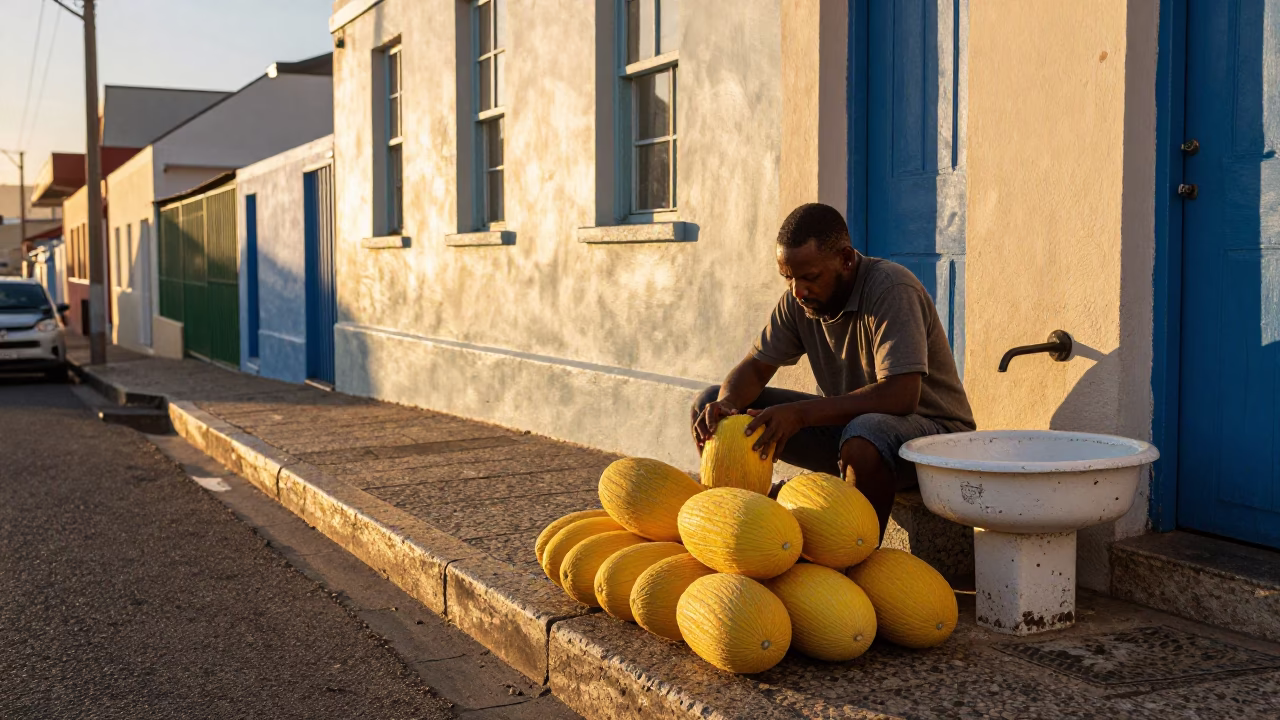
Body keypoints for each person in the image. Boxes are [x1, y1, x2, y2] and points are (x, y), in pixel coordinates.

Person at [691, 202, 975, 538]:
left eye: (810, 277)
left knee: (864, 433)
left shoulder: (892, 289)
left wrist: (798, 414)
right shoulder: (799, 301)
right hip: (853, 429)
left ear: (845, 259)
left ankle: (855, 558)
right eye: (788, 277)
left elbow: (901, 396)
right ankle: (746, 528)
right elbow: (754, 370)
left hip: (934, 441)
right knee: (709, 403)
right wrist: (726, 404)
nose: (798, 290)